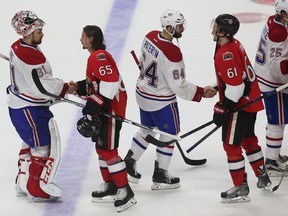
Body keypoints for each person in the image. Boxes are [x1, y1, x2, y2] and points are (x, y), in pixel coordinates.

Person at [123, 9, 216, 190]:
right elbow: (178, 85)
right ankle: (160, 176)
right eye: (180, 26)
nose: (183, 29)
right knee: (170, 134)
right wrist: (200, 92)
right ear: (171, 28)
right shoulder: (172, 52)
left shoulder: (149, 36)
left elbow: (144, 60)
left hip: (143, 93)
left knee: (147, 129)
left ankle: (129, 162)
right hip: (161, 101)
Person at [7, 10, 77, 202]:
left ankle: (22, 181)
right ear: (28, 33)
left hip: (20, 104)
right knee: (42, 147)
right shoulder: (30, 56)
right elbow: (42, 87)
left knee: (29, 142)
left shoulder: (17, 46)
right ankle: (36, 188)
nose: (42, 34)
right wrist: (66, 88)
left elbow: (37, 80)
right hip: (30, 109)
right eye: (38, 31)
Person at [74, 25, 136, 212]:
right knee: (101, 149)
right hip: (105, 110)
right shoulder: (95, 57)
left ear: (91, 38)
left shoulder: (98, 56)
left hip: (111, 112)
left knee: (108, 151)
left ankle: (126, 191)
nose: (81, 39)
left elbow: (111, 82)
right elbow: (95, 84)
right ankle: (111, 184)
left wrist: (95, 104)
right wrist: (75, 87)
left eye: (83, 36)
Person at [211, 14, 272, 203]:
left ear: (222, 32)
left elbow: (236, 87)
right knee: (248, 140)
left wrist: (222, 107)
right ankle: (263, 176)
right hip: (250, 102)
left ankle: (240, 187)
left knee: (231, 145)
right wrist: (217, 87)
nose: (212, 29)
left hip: (240, 105)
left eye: (215, 27)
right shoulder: (235, 44)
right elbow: (240, 77)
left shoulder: (225, 53)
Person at [254, 0, 288, 177]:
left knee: (276, 120)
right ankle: (272, 161)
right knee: (277, 122)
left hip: (264, 75)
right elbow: (277, 68)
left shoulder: (273, 22)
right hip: (274, 82)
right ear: (283, 14)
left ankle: (273, 155)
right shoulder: (278, 33)